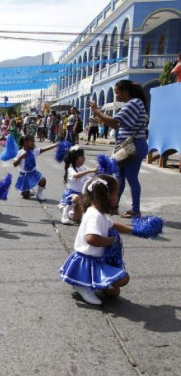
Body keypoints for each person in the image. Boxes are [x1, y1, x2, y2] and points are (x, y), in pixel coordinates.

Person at [59, 175, 132, 305]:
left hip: (97, 260)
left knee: (114, 292)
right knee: (124, 278)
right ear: (106, 196)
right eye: (116, 194)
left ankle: (96, 284)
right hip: (87, 261)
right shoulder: (95, 216)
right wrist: (111, 241)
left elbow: (114, 225)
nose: (117, 197)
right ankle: (83, 286)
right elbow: (91, 239)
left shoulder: (99, 213)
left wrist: (134, 229)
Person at [89, 80, 149, 218]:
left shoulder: (133, 103)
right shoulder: (132, 104)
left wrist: (96, 111)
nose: (116, 96)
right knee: (119, 179)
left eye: (117, 92)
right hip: (126, 146)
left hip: (132, 146)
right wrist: (100, 115)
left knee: (131, 178)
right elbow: (118, 126)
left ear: (125, 91)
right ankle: (113, 206)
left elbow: (115, 121)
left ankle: (135, 210)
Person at [13, 135, 59, 200]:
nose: (33, 143)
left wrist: (56, 145)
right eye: (31, 141)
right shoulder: (19, 152)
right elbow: (14, 164)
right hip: (24, 176)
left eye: (33, 141)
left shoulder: (34, 151)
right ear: (25, 143)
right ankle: (25, 190)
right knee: (26, 196)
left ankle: (39, 194)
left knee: (43, 180)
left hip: (34, 173)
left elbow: (45, 149)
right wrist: (21, 157)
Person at [59, 146, 96, 225]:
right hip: (71, 195)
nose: (84, 158)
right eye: (82, 156)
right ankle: (65, 212)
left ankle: (71, 213)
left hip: (80, 196)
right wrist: (90, 170)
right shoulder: (70, 169)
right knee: (77, 197)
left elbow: (89, 178)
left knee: (77, 220)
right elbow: (76, 176)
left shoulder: (82, 168)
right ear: (75, 158)